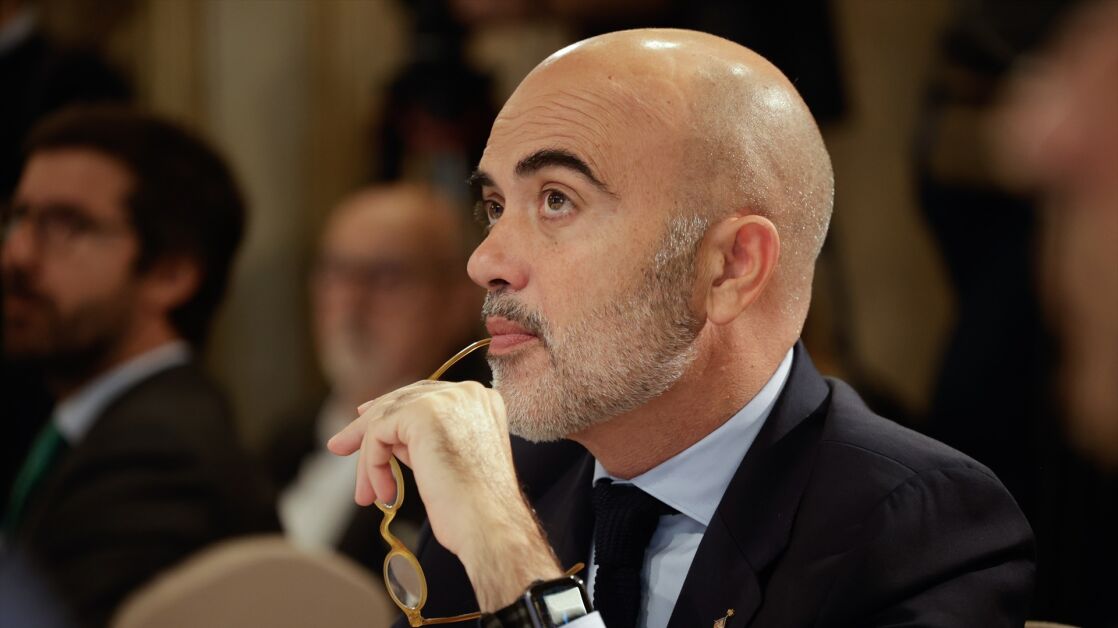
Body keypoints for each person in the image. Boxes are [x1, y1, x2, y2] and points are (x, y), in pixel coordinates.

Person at [329, 29, 1034, 627]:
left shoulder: (918, 529)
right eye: (494, 206)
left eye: (556, 200)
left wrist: (507, 553)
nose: (485, 261)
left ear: (731, 267)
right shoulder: (514, 479)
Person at [1, 106, 279, 627]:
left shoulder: (156, 458)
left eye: (64, 225)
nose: (15, 254)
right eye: (18, 218)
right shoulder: (107, 428)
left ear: (170, 274)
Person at [266, 182, 484, 567]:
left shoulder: (477, 447)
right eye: (336, 272)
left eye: (386, 276)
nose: (351, 301)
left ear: (458, 298)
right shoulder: (284, 440)